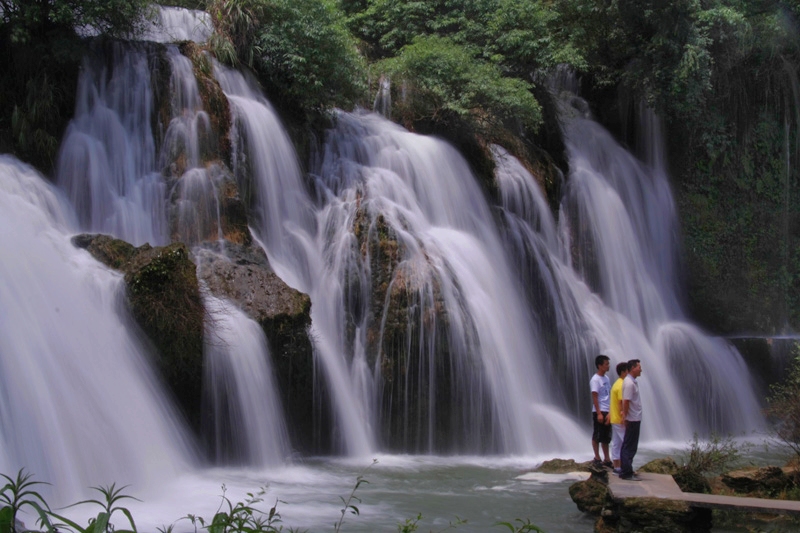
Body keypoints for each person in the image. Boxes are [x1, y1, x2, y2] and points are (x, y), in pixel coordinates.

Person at [620, 359, 643, 481]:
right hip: (632, 418)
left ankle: (627, 469)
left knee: (631, 445)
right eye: (639, 367)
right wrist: (625, 417)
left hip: (635, 417)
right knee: (629, 445)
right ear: (633, 368)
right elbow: (626, 401)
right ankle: (626, 472)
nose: (641, 369)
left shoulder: (632, 382)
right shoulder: (629, 383)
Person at [590, 354, 612, 468]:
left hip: (607, 410)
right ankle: (597, 457)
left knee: (606, 436)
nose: (608, 366)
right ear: (600, 366)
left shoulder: (606, 378)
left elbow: (609, 395)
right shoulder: (595, 380)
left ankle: (607, 458)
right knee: (597, 434)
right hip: (599, 410)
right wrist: (598, 413)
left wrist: (610, 411)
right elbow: (595, 396)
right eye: (606, 364)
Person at [609, 361, 628, 475]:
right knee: (626, 443)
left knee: (616, 444)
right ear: (623, 372)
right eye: (628, 371)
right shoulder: (621, 384)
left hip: (614, 418)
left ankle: (617, 467)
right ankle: (625, 467)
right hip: (619, 419)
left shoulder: (616, 383)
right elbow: (621, 402)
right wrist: (623, 416)